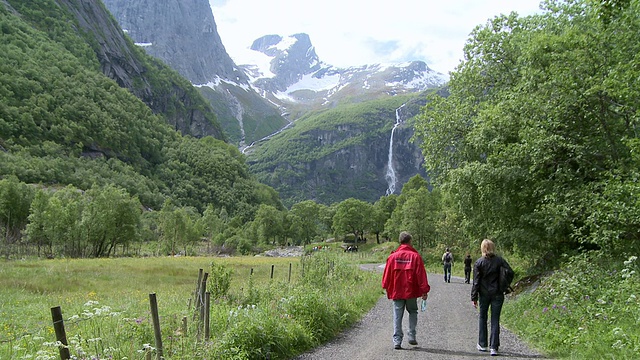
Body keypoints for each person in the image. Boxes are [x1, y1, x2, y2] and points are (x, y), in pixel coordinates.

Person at [382, 231, 430, 350]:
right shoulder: (415, 257)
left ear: (400, 241)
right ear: (409, 241)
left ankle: (397, 341)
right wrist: (424, 290)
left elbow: (386, 275)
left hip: (397, 291)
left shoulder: (392, 257)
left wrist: (385, 286)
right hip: (411, 292)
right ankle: (411, 335)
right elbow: (421, 275)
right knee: (413, 311)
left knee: (397, 315)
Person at [471, 239, 513, 356]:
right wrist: (504, 284)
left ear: (482, 248)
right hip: (497, 293)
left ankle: (482, 344)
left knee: (482, 317)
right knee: (495, 319)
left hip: (484, 294)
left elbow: (476, 282)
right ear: (493, 248)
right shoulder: (499, 260)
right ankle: (494, 347)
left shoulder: (479, 262)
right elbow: (510, 272)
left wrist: (474, 297)